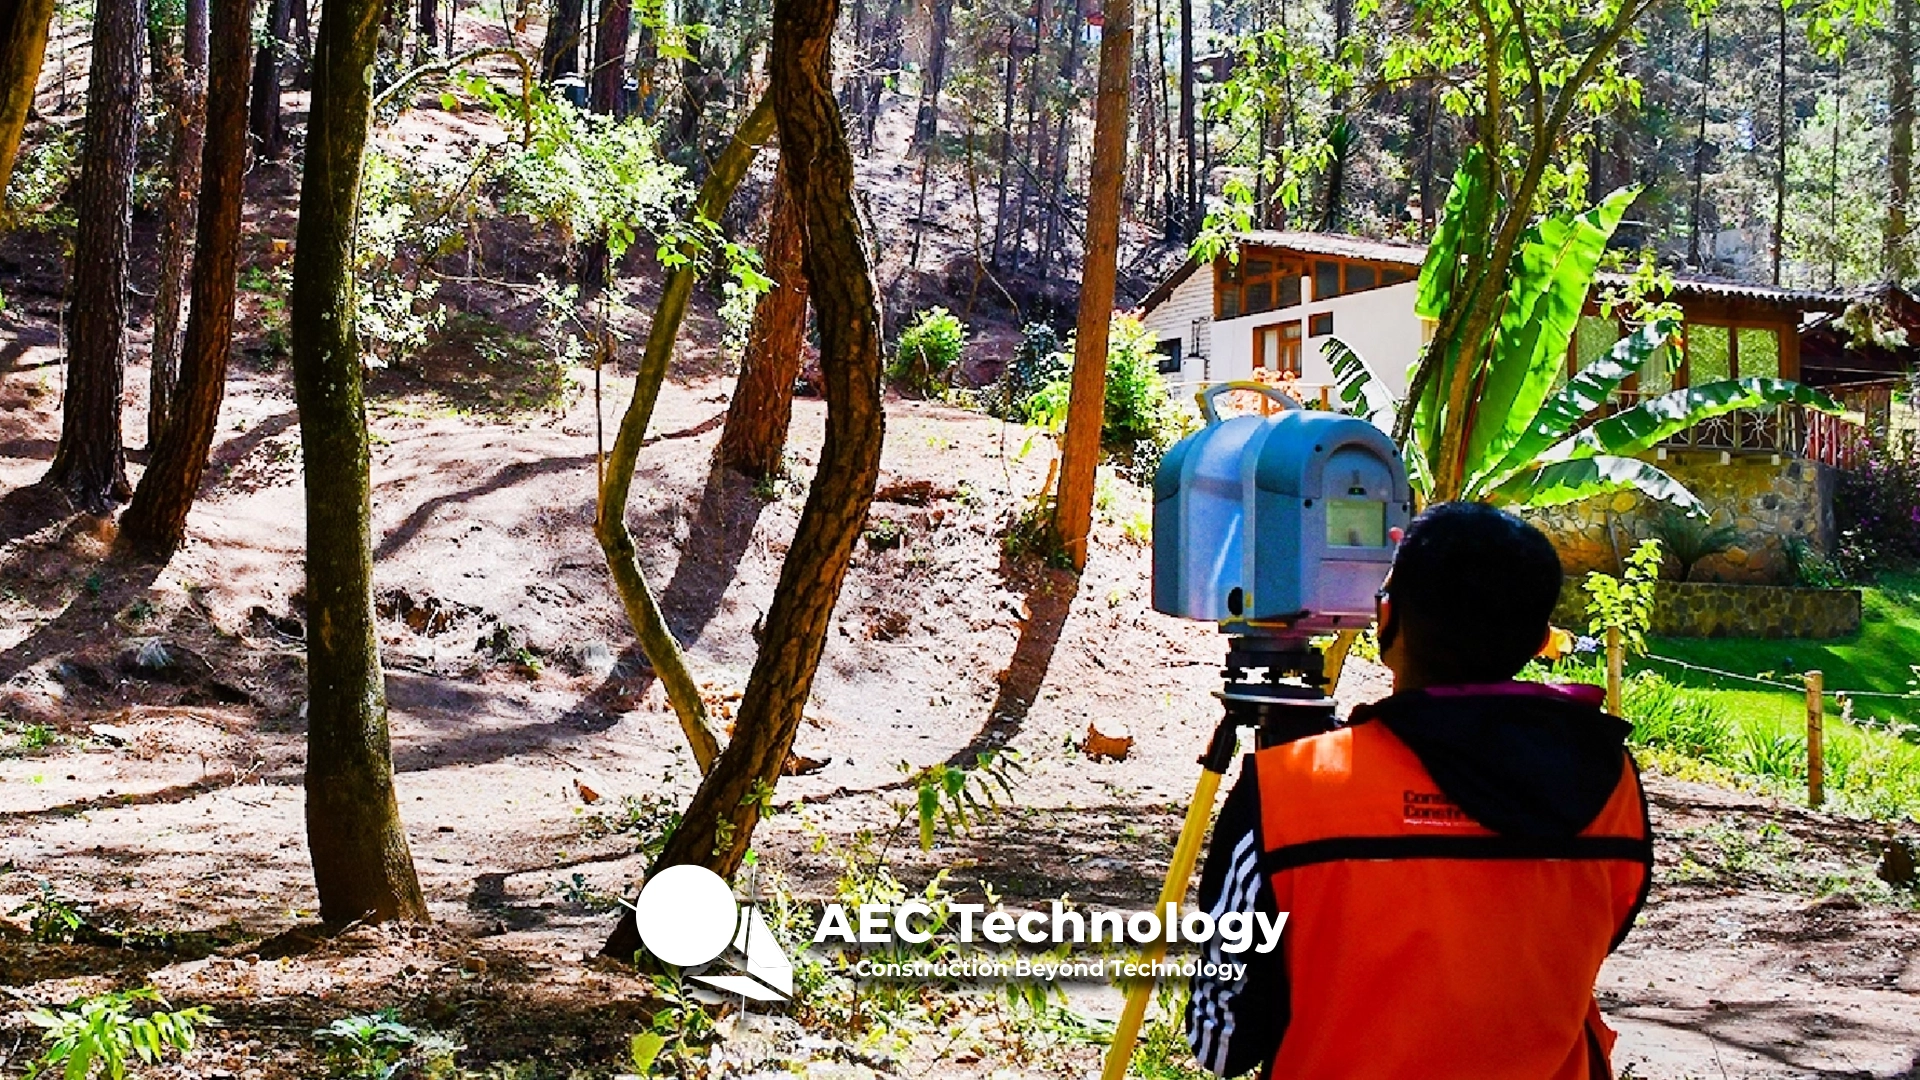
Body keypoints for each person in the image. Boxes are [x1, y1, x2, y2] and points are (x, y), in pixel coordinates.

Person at [1185, 501, 1652, 1079]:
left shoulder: (1290, 792)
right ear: (1538, 641)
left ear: (1387, 618)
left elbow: (1221, 1043)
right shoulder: (1613, 788)